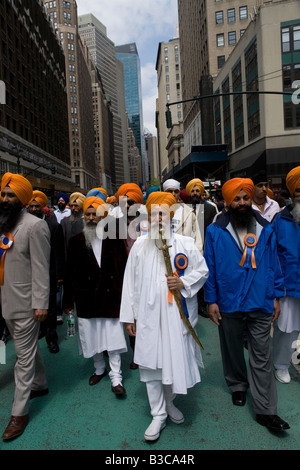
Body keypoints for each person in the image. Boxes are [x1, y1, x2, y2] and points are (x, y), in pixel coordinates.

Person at [120, 191, 209, 441]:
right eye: (154, 213)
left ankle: (170, 403)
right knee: (151, 364)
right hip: (148, 318)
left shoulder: (185, 244)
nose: (159, 217)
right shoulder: (139, 245)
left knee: (173, 360)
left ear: (170, 215)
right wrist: (129, 316)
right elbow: (129, 283)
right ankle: (157, 413)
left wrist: (183, 282)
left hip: (176, 316)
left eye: (163, 212)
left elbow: (202, 271)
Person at [203, 177, 290, 433]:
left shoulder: (266, 228)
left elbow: (274, 264)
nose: (241, 203)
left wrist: (275, 296)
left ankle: (267, 411)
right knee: (231, 349)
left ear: (251, 199)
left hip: (260, 300)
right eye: (236, 199)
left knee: (262, 356)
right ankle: (238, 385)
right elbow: (210, 267)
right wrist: (211, 301)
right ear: (228, 201)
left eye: (245, 198)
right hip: (228, 300)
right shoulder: (215, 230)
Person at [0, 173, 50, 441]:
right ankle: (40, 383)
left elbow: (42, 268)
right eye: (3, 194)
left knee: (22, 358)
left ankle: (19, 413)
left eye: (11, 195)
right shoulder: (3, 225)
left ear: (22, 198)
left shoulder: (36, 226)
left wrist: (41, 303)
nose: (6, 199)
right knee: (28, 350)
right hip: (6, 302)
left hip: (28, 305)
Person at [62, 194, 128, 396]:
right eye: (88, 214)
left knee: (113, 338)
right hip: (86, 297)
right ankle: (99, 368)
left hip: (111, 297)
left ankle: (116, 377)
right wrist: (68, 301)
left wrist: (126, 297)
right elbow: (70, 273)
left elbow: (124, 269)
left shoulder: (115, 238)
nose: (91, 218)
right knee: (91, 336)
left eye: (95, 215)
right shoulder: (75, 242)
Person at [272, 166, 300, 384]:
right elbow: (272, 257)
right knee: (286, 329)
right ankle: (281, 364)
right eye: (299, 189)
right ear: (292, 192)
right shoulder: (279, 221)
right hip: (288, 286)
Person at [28, 191, 65, 353]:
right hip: (28, 275)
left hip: (48, 274)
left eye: (37, 206)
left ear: (43, 207)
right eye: (31, 206)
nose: (34, 209)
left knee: (49, 309)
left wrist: (59, 275)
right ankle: (40, 331)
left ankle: (51, 338)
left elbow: (58, 252)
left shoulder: (53, 226)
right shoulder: (24, 225)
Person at [163, 179, 203, 253]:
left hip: (185, 257)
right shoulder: (157, 213)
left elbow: (198, 241)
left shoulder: (189, 213)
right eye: (170, 191)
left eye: (176, 191)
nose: (173, 194)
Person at [185, 178, 217, 244]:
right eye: (192, 191)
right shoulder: (184, 209)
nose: (195, 193)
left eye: (197, 191)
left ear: (201, 192)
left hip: (205, 245)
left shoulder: (210, 209)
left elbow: (214, 231)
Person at [61, 192, 85, 257]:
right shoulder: (64, 222)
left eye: (76, 206)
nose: (73, 208)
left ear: (82, 207)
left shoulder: (87, 222)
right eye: (71, 206)